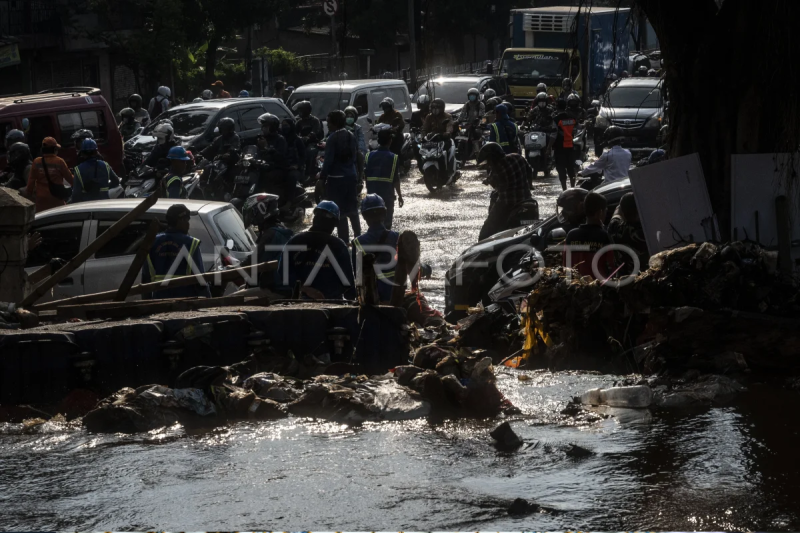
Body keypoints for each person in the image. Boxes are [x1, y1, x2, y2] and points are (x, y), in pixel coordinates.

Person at [278, 201, 356, 300]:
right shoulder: (338, 245)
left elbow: (283, 272)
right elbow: (348, 282)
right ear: (335, 224)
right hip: (331, 302)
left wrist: (304, 289)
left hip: (301, 301)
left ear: (315, 219)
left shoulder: (295, 241)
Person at [141, 203, 211, 300]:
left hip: (158, 303)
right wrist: (208, 301)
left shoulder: (152, 243)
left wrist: (146, 306)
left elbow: (146, 279)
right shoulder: (191, 243)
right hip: (185, 304)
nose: (188, 224)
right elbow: (201, 282)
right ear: (181, 220)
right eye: (187, 220)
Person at [476, 142, 532, 241]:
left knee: (487, 228)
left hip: (507, 202)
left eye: (488, 160)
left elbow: (500, 186)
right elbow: (530, 171)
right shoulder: (517, 157)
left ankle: (483, 246)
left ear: (493, 157)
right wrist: (530, 185)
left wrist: (489, 181)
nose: (488, 163)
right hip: (526, 198)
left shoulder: (497, 167)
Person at [352, 194, 400, 303]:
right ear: (384, 214)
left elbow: (357, 276)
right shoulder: (398, 237)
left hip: (372, 298)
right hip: (397, 296)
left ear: (364, 217)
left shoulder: (358, 242)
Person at [320, 110, 359, 242]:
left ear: (335, 123)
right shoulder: (350, 135)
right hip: (351, 176)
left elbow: (328, 161)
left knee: (340, 212)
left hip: (336, 180)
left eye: (329, 122)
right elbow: (355, 157)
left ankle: (344, 240)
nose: (328, 125)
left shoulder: (332, 138)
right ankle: (358, 238)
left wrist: (322, 178)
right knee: (353, 210)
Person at [563, 192, 615, 279]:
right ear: (600, 212)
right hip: (598, 289)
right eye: (606, 211)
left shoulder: (571, 235)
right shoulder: (604, 236)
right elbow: (612, 267)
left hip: (576, 288)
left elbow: (565, 266)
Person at [241, 193, 294, 275]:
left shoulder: (269, 235)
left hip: (277, 285)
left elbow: (252, 261)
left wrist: (235, 267)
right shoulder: (280, 228)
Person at [364, 129, 404, 230]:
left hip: (371, 197)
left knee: (372, 225)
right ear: (390, 141)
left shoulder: (369, 155)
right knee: (387, 226)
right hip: (387, 197)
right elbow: (396, 180)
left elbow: (364, 176)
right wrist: (400, 196)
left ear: (378, 140)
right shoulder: (394, 158)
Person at [25, 137, 74, 213]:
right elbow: (70, 179)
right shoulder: (59, 161)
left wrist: (29, 194)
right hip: (56, 197)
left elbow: (31, 181)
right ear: (54, 150)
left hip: (41, 199)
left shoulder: (37, 162)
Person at [607, 192, 648, 275]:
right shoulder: (646, 232)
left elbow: (615, 215)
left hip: (624, 281)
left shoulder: (615, 228)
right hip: (644, 279)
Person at [71, 139, 121, 203]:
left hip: (88, 207)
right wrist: (104, 187)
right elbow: (116, 181)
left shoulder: (78, 169)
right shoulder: (105, 165)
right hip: (104, 205)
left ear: (82, 153)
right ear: (96, 152)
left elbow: (76, 194)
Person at [421, 97, 453, 168]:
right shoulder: (429, 117)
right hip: (431, 140)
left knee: (445, 151)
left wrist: (446, 133)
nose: (435, 109)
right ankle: (421, 166)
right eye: (433, 107)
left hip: (443, 139)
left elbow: (449, 127)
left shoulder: (447, 116)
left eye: (437, 107)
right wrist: (423, 137)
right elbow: (424, 129)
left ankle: (447, 168)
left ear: (442, 108)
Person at [281, 117, 305, 207]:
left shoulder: (297, 140)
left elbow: (303, 156)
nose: (284, 127)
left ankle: (289, 202)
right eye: (282, 126)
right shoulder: (281, 139)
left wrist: (297, 166)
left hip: (296, 168)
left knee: (291, 177)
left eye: (286, 125)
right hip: (284, 167)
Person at [554, 99, 578, 190]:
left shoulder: (556, 119)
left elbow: (553, 134)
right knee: (571, 168)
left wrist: (548, 147)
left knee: (561, 169)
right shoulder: (572, 118)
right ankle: (573, 188)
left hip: (560, 147)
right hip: (570, 146)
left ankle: (564, 190)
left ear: (557, 107)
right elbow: (577, 128)